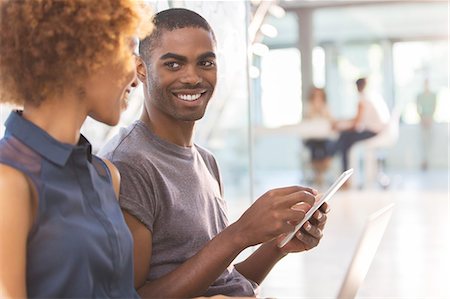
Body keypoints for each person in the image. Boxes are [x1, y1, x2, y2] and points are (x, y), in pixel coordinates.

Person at [100, 8, 329, 298]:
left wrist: (277, 246)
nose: (193, 77)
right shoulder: (129, 164)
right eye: (173, 65)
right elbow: (134, 297)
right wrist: (239, 234)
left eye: (205, 63)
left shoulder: (205, 160)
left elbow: (222, 282)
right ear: (141, 69)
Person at [0, 1, 152, 297]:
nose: (137, 75)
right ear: (81, 51)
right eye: (130, 49)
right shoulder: (9, 183)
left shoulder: (106, 176)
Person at [331, 77, 389, 178]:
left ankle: (334, 159)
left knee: (345, 138)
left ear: (357, 87)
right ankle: (334, 154)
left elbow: (356, 124)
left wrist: (340, 127)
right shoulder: (372, 97)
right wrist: (342, 123)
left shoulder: (363, 100)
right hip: (381, 131)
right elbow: (357, 119)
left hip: (374, 131)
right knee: (345, 138)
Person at [303, 87, 334, 186]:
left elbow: (331, 120)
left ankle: (322, 173)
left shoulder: (326, 107)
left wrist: (322, 110)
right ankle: (317, 174)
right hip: (312, 138)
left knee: (327, 148)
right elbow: (307, 121)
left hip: (324, 137)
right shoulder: (308, 107)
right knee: (314, 149)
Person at [416, 78, 437, 171]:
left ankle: (428, 161)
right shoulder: (419, 96)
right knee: (422, 142)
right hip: (422, 121)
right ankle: (423, 162)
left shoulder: (433, 95)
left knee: (429, 142)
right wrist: (422, 117)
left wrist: (430, 118)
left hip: (430, 120)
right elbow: (417, 108)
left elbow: (434, 107)